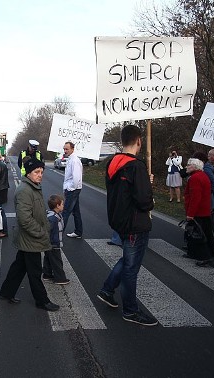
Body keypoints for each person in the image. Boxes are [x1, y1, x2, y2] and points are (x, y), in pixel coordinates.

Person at [97, 124, 157, 326]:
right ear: (139, 141)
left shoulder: (113, 162)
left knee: (127, 259)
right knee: (132, 268)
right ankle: (130, 311)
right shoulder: (136, 166)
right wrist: (148, 188)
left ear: (122, 141)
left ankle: (107, 290)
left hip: (119, 220)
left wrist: (143, 183)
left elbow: (124, 190)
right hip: (135, 224)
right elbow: (143, 201)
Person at [0, 159, 60, 312]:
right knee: (35, 271)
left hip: (29, 237)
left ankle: (6, 292)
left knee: (19, 266)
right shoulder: (25, 191)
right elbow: (24, 219)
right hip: (30, 237)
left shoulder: (33, 187)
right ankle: (42, 300)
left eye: (41, 172)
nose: (40, 175)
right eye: (36, 172)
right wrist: (41, 232)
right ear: (28, 173)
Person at [183, 158, 214, 266]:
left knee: (198, 234)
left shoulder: (195, 178)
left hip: (199, 211)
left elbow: (195, 197)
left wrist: (190, 214)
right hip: (204, 210)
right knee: (205, 233)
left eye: (189, 165)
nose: (186, 167)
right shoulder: (202, 175)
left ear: (195, 167)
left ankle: (204, 256)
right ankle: (198, 252)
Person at [43, 194, 70, 285]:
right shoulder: (53, 218)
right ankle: (60, 278)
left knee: (48, 258)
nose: (63, 206)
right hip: (53, 243)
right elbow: (48, 230)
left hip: (50, 243)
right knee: (57, 261)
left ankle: (47, 275)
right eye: (62, 204)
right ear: (57, 206)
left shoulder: (55, 215)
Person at [61, 141, 83, 239]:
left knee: (65, 212)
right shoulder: (70, 159)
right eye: (64, 149)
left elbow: (76, 177)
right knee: (76, 211)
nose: (65, 151)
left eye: (67, 149)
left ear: (72, 149)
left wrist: (70, 189)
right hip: (72, 189)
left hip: (72, 190)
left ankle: (58, 236)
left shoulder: (74, 160)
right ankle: (78, 231)